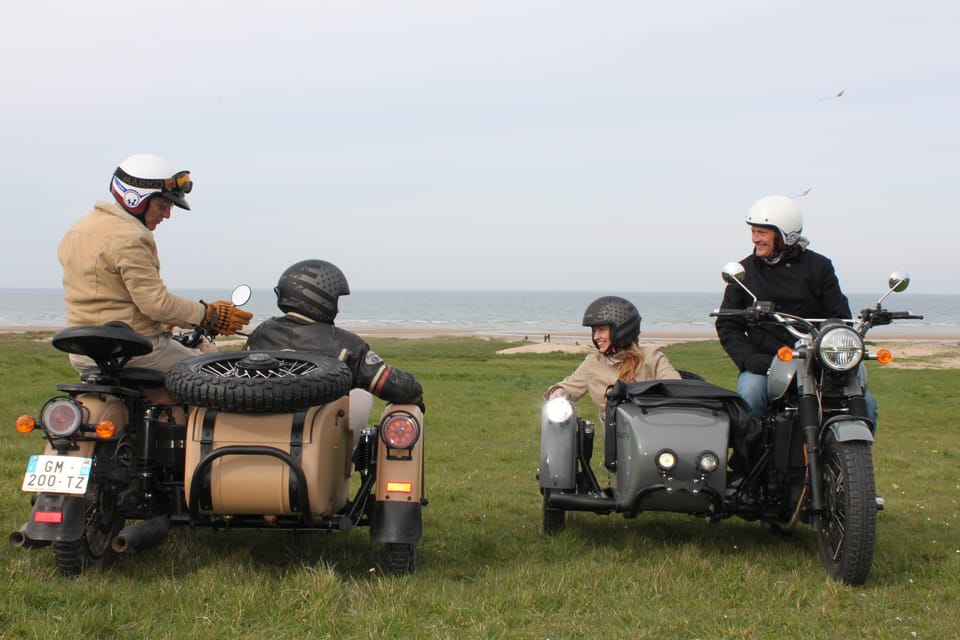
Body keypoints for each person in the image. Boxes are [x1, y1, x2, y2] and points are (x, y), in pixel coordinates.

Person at [58, 153, 252, 373]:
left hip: (83, 350)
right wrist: (208, 315)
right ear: (135, 198)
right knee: (213, 375)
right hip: (134, 351)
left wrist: (167, 321)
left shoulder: (79, 229)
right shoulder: (130, 236)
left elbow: (107, 294)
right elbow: (155, 303)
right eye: (162, 205)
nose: (167, 214)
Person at [715, 194, 877, 422]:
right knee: (750, 395)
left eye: (762, 232)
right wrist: (749, 359)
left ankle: (857, 456)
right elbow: (727, 323)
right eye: (753, 232)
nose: (755, 239)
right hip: (767, 362)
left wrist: (831, 347)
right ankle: (748, 457)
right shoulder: (744, 272)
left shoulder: (819, 267)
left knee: (866, 404)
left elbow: (839, 317)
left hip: (816, 360)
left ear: (785, 235)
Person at [242, 259, 424, 433]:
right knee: (363, 396)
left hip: (260, 430)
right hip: (320, 440)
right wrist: (415, 393)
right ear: (320, 298)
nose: (338, 310)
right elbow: (396, 386)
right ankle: (348, 459)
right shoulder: (344, 344)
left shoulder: (261, 333)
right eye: (336, 301)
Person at [545, 296, 681, 414]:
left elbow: (677, 387)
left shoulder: (652, 357)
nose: (596, 337)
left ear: (621, 330)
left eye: (602, 330)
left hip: (652, 428)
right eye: (594, 331)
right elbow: (569, 386)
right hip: (615, 436)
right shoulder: (593, 363)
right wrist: (558, 392)